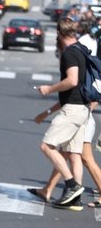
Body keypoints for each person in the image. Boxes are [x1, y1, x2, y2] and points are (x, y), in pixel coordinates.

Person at [29, 19, 90, 208]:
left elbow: (71, 81)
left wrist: (50, 88)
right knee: (74, 154)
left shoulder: (70, 53)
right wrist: (47, 112)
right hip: (82, 109)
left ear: (59, 34)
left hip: (72, 110)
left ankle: (71, 186)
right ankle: (76, 199)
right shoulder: (82, 49)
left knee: (46, 146)